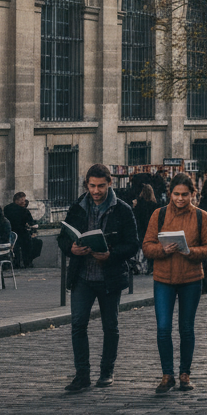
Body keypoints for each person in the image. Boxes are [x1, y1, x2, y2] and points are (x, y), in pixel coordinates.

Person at [58, 164, 140, 392]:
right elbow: (62, 239)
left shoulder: (122, 209)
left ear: (110, 183)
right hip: (82, 276)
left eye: (101, 186)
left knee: (110, 326)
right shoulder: (77, 207)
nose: (96, 191)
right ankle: (82, 375)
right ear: (86, 184)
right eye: (92, 186)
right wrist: (71, 248)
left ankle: (107, 371)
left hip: (109, 277)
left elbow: (133, 243)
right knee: (78, 325)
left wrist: (111, 254)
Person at [141, 172, 207, 393]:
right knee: (163, 328)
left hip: (190, 278)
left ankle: (185, 374)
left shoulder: (201, 216)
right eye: (176, 194)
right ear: (169, 193)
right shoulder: (159, 214)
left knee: (186, 328)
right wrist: (162, 250)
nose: (180, 199)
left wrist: (190, 251)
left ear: (193, 194)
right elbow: (147, 245)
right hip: (163, 278)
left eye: (185, 195)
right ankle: (167, 374)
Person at [3, 191, 37, 267]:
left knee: (15, 248)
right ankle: (27, 263)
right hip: (22, 231)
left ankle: (16, 263)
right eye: (23, 200)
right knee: (27, 246)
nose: (24, 202)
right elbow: (31, 222)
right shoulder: (24, 210)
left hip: (11, 231)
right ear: (19, 200)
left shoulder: (7, 208)